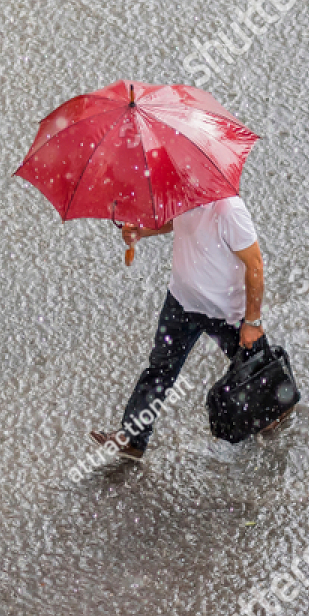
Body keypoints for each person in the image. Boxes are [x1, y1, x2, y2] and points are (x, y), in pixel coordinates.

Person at [90, 195, 265, 461]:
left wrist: (252, 322)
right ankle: (133, 437)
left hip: (222, 308)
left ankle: (276, 410)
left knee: (254, 367)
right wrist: (141, 232)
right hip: (181, 302)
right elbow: (178, 222)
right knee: (160, 367)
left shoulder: (230, 210)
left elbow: (255, 264)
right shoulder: (186, 196)